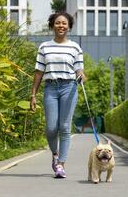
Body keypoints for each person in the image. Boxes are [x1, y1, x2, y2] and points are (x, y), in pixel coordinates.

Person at [30, 12, 86, 178]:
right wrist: (33, 94)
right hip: (51, 88)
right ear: (52, 25)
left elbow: (80, 69)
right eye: (57, 23)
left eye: (64, 23)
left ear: (69, 27)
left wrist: (82, 75)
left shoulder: (75, 47)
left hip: (69, 87)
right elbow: (39, 72)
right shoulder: (44, 47)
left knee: (65, 127)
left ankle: (61, 164)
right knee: (51, 128)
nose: (61, 26)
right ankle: (55, 154)